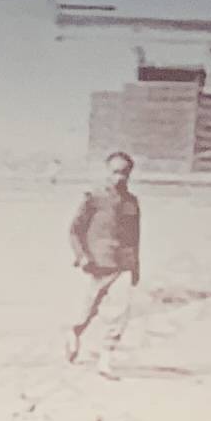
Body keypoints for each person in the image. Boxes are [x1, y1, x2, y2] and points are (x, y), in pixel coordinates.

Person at [67, 150, 141, 371]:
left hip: (123, 263)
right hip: (98, 263)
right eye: (116, 172)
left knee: (121, 311)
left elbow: (135, 237)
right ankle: (75, 332)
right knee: (89, 309)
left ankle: (106, 357)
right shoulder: (94, 198)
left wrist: (135, 267)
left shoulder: (132, 202)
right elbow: (75, 230)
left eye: (125, 173)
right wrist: (82, 257)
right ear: (107, 172)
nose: (120, 177)